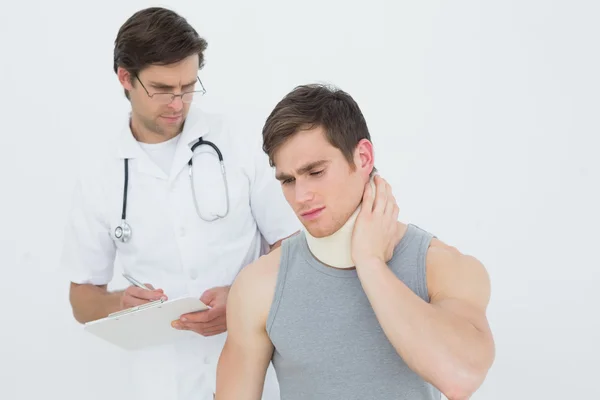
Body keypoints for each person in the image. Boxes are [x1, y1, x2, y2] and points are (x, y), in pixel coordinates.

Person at [61, 7, 299, 400]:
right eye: (162, 88)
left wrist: (242, 297)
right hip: (159, 381)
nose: (178, 102)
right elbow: (82, 300)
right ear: (125, 77)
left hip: (255, 368)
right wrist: (120, 303)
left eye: (188, 87)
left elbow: (292, 247)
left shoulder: (240, 143)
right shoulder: (98, 175)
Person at [215, 84, 496, 400]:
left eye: (316, 172)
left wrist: (370, 263)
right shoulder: (260, 284)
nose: (301, 196)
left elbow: (461, 378)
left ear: (362, 157)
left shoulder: (440, 266)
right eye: (288, 180)